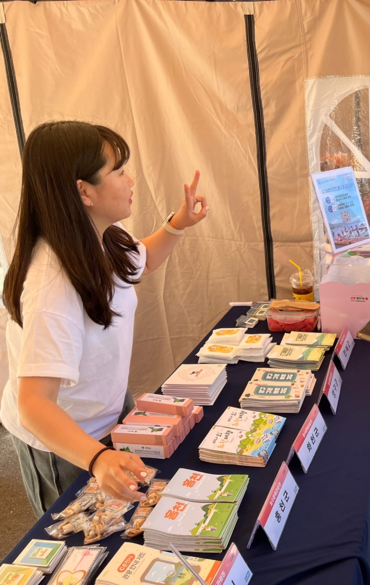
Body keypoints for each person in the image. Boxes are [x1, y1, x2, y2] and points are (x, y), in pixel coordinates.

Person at [2, 121, 209, 517]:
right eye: (118, 171)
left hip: (106, 409)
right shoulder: (51, 286)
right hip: (63, 439)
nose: (129, 180)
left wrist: (177, 224)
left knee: (126, 517)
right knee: (80, 535)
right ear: (84, 191)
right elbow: (34, 404)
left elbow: (141, 261)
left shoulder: (104, 235)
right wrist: (96, 457)